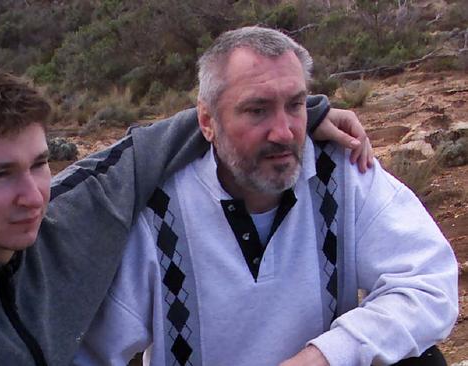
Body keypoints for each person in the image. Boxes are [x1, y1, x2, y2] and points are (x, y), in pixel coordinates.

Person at [0, 63, 371, 365]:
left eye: (39, 164)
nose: (33, 195)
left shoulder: (66, 215)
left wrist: (304, 116)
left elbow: (149, 147)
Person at [74, 26, 458, 366]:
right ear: (207, 122)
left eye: (294, 105)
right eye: (257, 110)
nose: (284, 132)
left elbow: (429, 282)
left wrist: (327, 355)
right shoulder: (159, 210)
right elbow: (88, 350)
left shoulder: (340, 172)